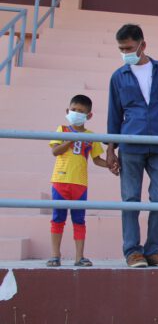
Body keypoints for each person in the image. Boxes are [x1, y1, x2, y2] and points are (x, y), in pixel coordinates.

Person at [107, 24, 158, 268]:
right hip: (130, 144)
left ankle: (153, 250)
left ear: (143, 45)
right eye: (121, 49)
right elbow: (114, 113)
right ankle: (132, 251)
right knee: (130, 198)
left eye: (129, 48)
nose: (125, 53)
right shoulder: (118, 77)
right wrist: (110, 149)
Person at [47, 95, 113, 267]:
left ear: (88, 116)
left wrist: (110, 165)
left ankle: (79, 257)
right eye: (74, 110)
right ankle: (55, 255)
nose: (76, 113)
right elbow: (55, 151)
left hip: (80, 184)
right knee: (58, 218)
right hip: (60, 181)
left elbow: (97, 159)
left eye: (81, 111)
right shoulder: (62, 129)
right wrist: (70, 140)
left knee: (79, 220)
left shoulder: (91, 136)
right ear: (67, 111)